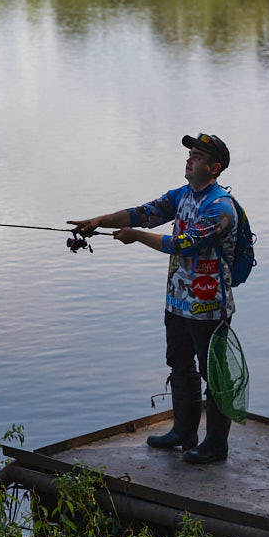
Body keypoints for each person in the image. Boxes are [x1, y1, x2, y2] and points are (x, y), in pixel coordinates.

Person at [69, 133, 238, 465]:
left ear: (214, 167)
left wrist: (135, 238)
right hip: (177, 303)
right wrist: (99, 221)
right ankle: (183, 433)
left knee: (215, 376)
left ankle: (216, 445)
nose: (189, 160)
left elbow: (182, 245)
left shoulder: (220, 208)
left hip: (209, 309)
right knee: (179, 364)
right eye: (189, 154)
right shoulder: (181, 196)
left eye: (198, 157)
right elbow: (141, 214)